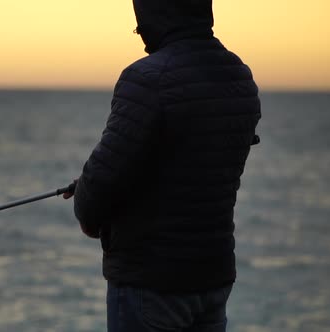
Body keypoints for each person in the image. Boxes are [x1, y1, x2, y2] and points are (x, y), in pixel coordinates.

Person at [63, 0, 261, 331]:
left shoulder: (148, 77)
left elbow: (103, 181)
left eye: (141, 26)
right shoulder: (238, 75)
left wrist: (87, 205)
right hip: (213, 275)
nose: (141, 37)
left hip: (151, 283)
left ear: (158, 15)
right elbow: (190, 161)